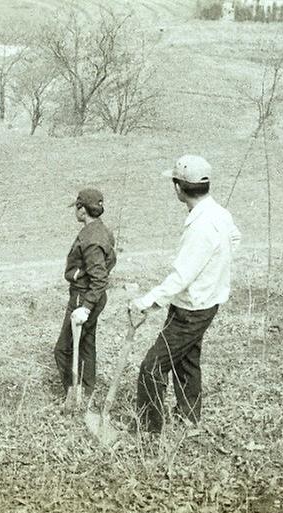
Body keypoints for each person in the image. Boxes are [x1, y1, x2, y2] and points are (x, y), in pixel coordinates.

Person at [129, 154, 241, 434]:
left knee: (151, 368)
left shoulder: (201, 227)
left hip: (191, 310)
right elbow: (235, 239)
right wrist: (215, 269)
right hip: (206, 302)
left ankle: (149, 431)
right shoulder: (219, 214)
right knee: (188, 361)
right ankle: (189, 418)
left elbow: (181, 277)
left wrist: (146, 302)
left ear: (178, 187)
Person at [53, 188, 117, 400]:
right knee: (87, 344)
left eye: (77, 207)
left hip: (84, 296)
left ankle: (74, 395)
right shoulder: (103, 230)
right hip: (91, 295)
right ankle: (87, 391)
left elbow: (99, 278)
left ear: (82, 210)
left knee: (63, 349)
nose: (76, 211)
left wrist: (86, 306)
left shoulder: (90, 238)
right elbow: (112, 259)